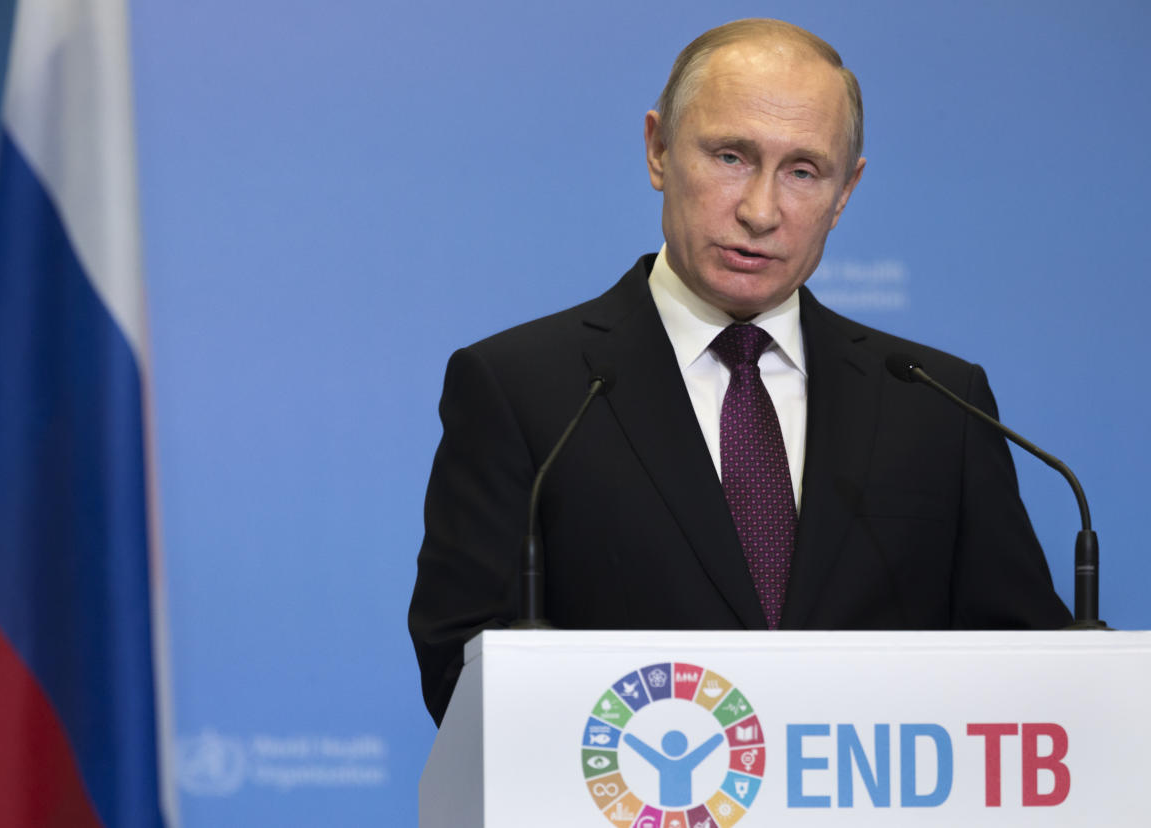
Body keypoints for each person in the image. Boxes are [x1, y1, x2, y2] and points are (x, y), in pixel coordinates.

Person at [408, 19, 1071, 726]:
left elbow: (1030, 674)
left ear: (845, 192)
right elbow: (464, 672)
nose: (761, 211)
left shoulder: (938, 405)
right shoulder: (522, 389)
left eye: (804, 171)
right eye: (731, 156)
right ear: (658, 149)